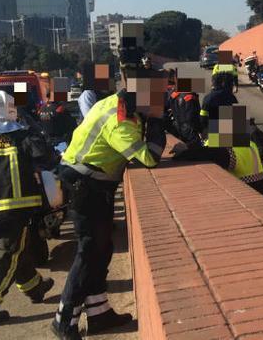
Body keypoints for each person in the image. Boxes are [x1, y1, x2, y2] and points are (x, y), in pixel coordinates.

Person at [51, 56, 167, 339]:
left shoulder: (116, 104)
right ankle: (64, 319)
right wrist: (157, 125)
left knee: (101, 249)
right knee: (89, 251)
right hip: (84, 186)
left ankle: (99, 314)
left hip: (92, 186)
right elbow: (148, 158)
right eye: (156, 98)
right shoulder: (121, 120)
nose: (160, 102)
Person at [0, 91, 55, 326]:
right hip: (13, 209)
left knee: (15, 252)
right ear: (12, 111)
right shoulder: (20, 135)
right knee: (7, 255)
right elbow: (45, 158)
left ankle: (34, 287)